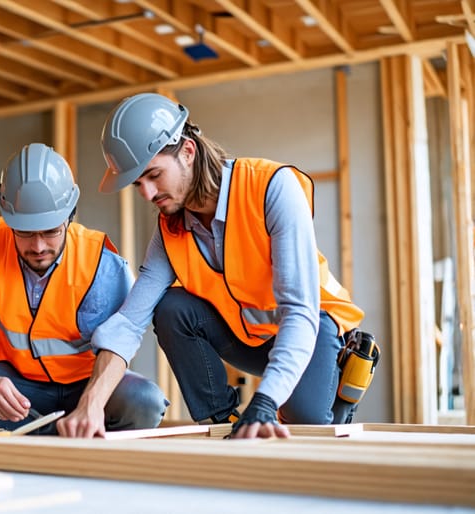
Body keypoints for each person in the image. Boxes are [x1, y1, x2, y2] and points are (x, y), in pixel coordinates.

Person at [89, 92, 365, 439]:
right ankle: (223, 424)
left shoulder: (272, 188)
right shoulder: (171, 228)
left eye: (153, 175)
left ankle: (330, 388)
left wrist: (264, 401)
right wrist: (92, 403)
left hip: (312, 328)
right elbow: (130, 321)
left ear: (187, 152)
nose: (146, 193)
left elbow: (300, 311)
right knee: (172, 308)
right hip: (248, 338)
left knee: (305, 426)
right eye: (137, 184)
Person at [0, 143, 167, 438]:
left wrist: (93, 402)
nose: (38, 246)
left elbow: (118, 348)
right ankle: (52, 436)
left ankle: (64, 437)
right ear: (7, 218)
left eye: (50, 231)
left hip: (86, 383)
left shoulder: (102, 263)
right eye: (25, 232)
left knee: (144, 403)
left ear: (70, 216)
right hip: (15, 385)